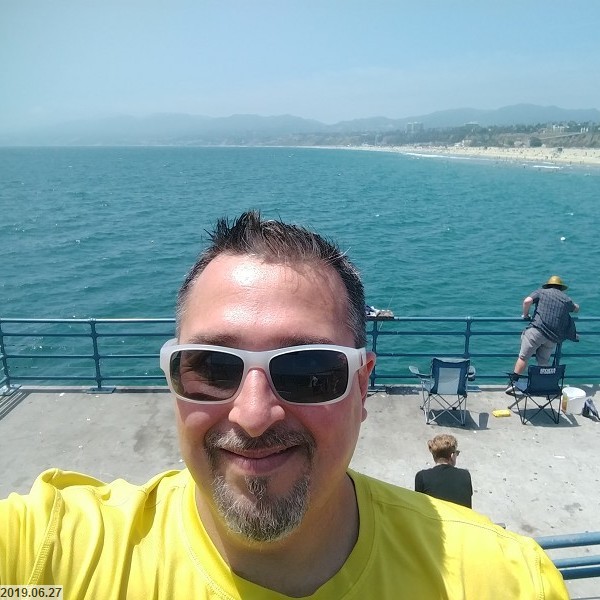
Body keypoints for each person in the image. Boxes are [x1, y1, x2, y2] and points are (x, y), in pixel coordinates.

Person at [0, 212, 568, 598]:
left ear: (362, 387)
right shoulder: (49, 555)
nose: (252, 416)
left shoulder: (505, 580)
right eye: (212, 368)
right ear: (173, 378)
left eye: (309, 372)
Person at [506, 275, 579, 395]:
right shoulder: (566, 299)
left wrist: (525, 315)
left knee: (523, 357)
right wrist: (574, 305)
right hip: (552, 336)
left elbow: (527, 301)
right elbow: (575, 308)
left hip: (537, 331)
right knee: (543, 362)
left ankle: (513, 384)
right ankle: (541, 386)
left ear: (548, 285)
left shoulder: (541, 292)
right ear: (561, 288)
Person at [415, 434, 473, 508]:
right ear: (452, 456)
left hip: (434, 515)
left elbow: (418, 506)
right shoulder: (465, 475)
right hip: (459, 515)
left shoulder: (422, 476)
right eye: (457, 453)